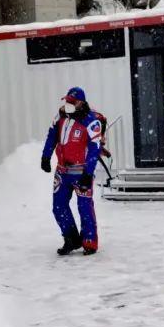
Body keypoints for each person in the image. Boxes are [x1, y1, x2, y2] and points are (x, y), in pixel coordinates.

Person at [41, 87, 102, 256]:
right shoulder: (60, 116)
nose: (68, 104)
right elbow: (51, 136)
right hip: (62, 171)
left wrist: (88, 172)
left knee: (84, 207)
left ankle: (89, 242)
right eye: (67, 101)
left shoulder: (91, 121)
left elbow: (95, 148)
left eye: (72, 102)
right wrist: (45, 157)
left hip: (81, 172)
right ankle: (71, 239)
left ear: (80, 103)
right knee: (58, 206)